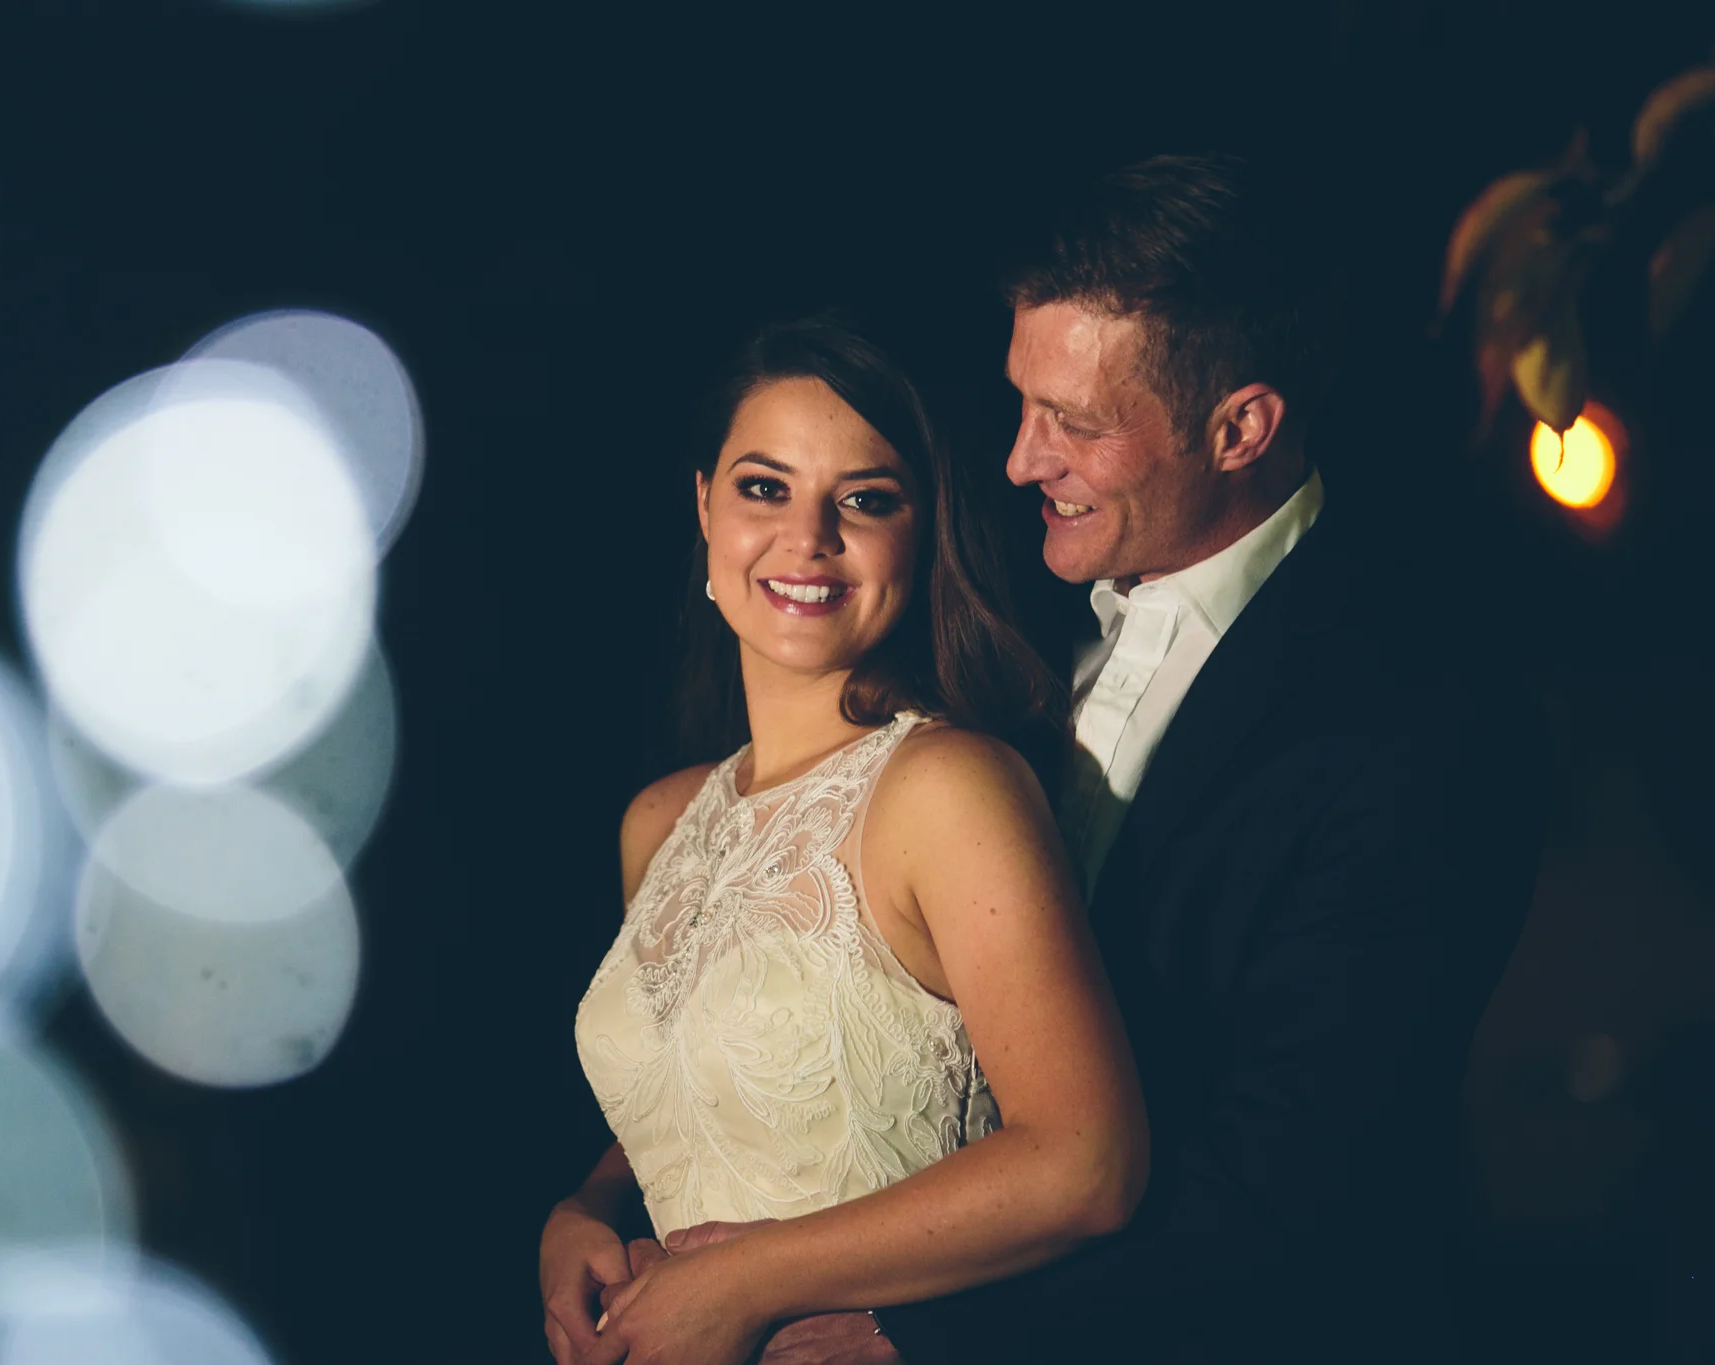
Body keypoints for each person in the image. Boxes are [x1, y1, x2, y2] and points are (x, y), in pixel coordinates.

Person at [657, 155, 1552, 1363]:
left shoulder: (1419, 720)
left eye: (1073, 425)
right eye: (1022, 404)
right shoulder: (996, 598)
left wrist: (908, 1333)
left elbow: (1291, 1185)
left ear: (1239, 428)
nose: (1022, 461)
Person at [539, 318, 1151, 1365]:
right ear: (702, 507)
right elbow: (709, 1090)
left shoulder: (947, 790)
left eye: (864, 500)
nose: (806, 539)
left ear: (922, 532)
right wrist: (582, 1210)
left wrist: (740, 1283)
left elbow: (1084, 1163)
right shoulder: (659, 821)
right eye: (763, 487)